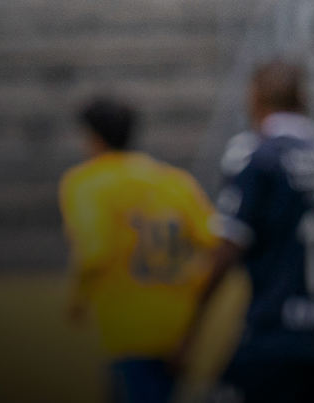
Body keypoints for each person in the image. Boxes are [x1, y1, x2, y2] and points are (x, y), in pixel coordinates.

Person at [181, 60, 314, 403]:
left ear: (254, 98)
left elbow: (227, 248)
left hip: (273, 338)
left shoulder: (257, 154)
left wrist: (187, 331)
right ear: (302, 99)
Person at [59, 95, 219, 403]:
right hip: (177, 326)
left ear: (94, 138)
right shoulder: (174, 181)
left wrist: (77, 300)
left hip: (128, 326)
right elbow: (214, 243)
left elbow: (94, 252)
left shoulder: (87, 182)